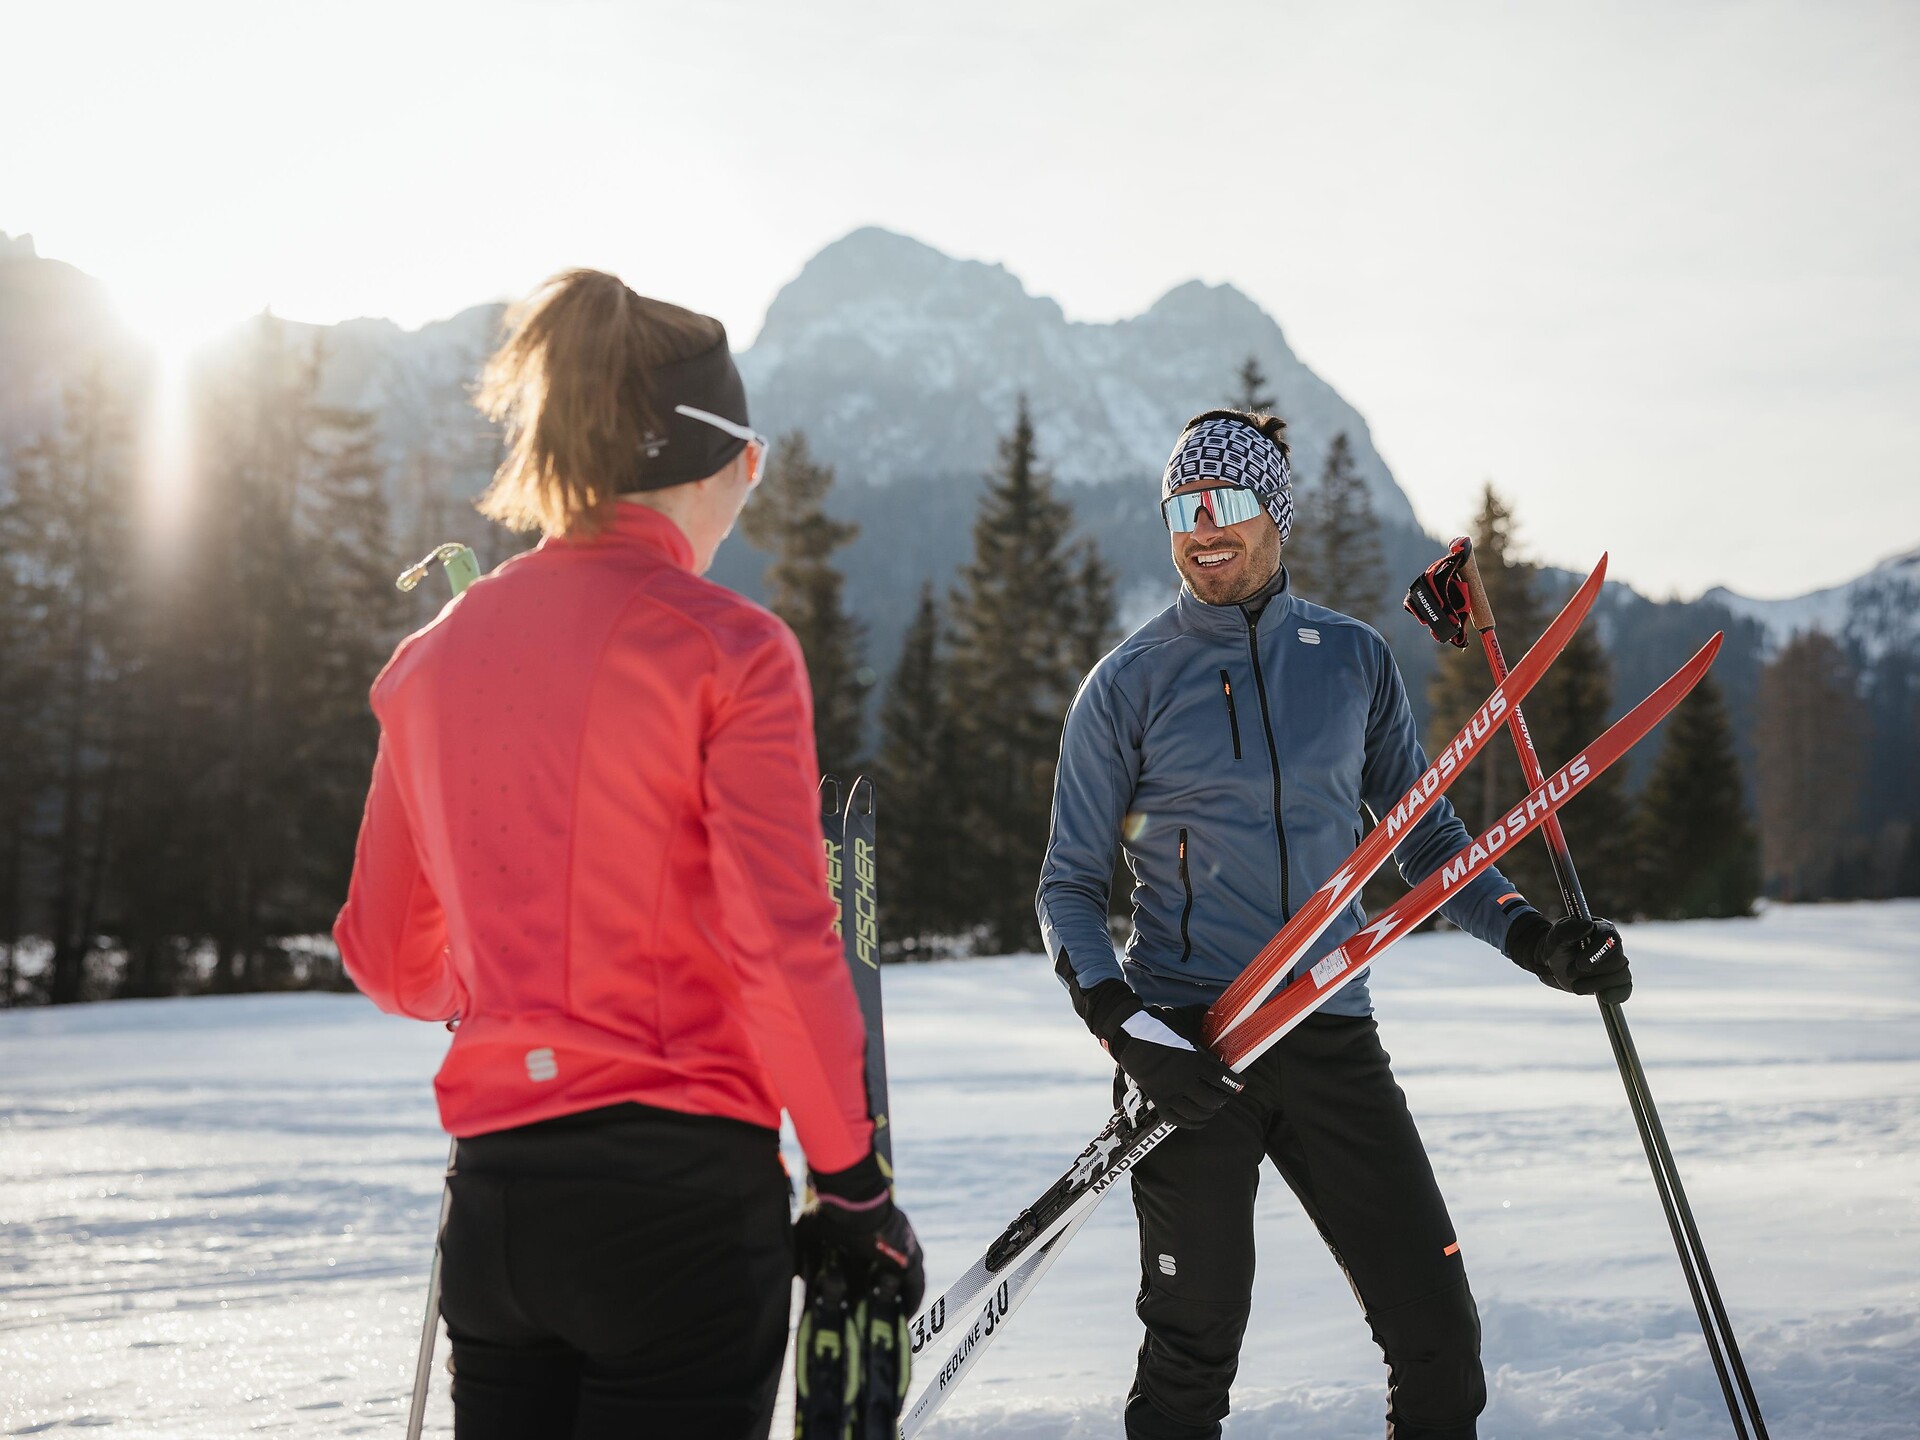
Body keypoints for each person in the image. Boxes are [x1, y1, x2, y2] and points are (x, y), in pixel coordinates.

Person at [334, 269, 922, 1440]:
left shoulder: (434, 660)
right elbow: (779, 947)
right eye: (750, 457)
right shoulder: (727, 647)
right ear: (709, 461)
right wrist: (853, 1185)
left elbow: (393, 963)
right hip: (677, 1211)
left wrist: (518, 984)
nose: (755, 484)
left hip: (497, 1213)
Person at [1036, 409, 1631, 1440]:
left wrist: (1537, 941)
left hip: (1329, 1031)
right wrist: (1129, 1029)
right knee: (1190, 1355)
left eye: (1225, 502)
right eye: (1181, 507)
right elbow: (1068, 889)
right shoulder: (1126, 683)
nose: (1201, 528)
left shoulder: (1352, 661)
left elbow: (1426, 840)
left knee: (1439, 1338)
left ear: (1278, 512)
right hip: (1191, 1041)